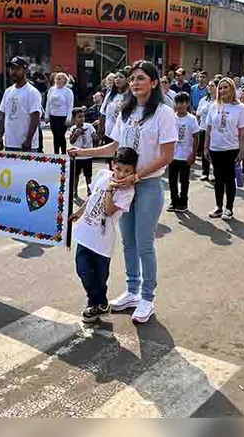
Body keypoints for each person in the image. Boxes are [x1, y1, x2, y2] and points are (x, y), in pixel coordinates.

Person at [68, 60, 176, 324]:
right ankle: (132, 290)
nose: (135, 83)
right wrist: (83, 153)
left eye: (141, 78)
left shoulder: (163, 112)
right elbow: (114, 147)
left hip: (147, 186)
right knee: (128, 242)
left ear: (153, 82)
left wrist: (136, 178)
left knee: (144, 244)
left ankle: (147, 298)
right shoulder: (125, 112)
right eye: (132, 79)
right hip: (121, 186)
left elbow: (167, 155)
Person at [69, 147, 137, 324]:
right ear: (113, 165)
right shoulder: (103, 175)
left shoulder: (127, 192)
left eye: (127, 171)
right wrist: (79, 212)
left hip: (102, 242)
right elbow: (92, 198)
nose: (121, 174)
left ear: (133, 172)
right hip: (85, 233)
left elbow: (108, 211)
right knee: (83, 269)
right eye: (119, 169)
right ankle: (100, 304)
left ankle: (95, 305)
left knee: (100, 277)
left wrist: (110, 190)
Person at [204, 78, 244, 221]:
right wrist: (206, 146)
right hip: (215, 148)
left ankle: (229, 208)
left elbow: (242, 132)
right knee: (218, 179)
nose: (222, 90)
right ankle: (218, 207)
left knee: (229, 179)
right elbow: (208, 128)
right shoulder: (214, 106)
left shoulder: (240, 108)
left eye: (225, 88)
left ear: (231, 89)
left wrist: (242, 151)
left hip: (231, 149)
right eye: (221, 88)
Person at [0, 56, 42, 152]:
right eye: (12, 69)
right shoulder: (8, 91)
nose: (13, 72)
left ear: (25, 71)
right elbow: (3, 115)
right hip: (9, 143)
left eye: (17, 69)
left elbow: (35, 117)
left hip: (26, 146)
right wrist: (0, 137)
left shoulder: (32, 92)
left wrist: (28, 140)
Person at [167, 92, 200, 213]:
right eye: (177, 102)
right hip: (172, 155)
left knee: (184, 180)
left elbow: (196, 137)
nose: (179, 105)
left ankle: (183, 202)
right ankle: (174, 201)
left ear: (187, 103)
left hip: (185, 156)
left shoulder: (191, 119)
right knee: (172, 180)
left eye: (182, 102)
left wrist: (193, 154)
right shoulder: (171, 117)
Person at [67, 107, 95, 198]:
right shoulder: (72, 128)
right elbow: (71, 141)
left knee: (88, 175)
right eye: (79, 117)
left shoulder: (89, 126)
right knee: (76, 175)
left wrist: (95, 135)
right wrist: (76, 134)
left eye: (83, 116)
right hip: (77, 156)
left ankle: (89, 189)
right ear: (74, 118)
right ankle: (75, 191)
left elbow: (96, 137)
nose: (82, 119)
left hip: (87, 155)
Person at [45, 72, 75, 154]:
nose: (57, 80)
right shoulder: (51, 90)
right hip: (53, 116)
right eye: (56, 79)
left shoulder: (68, 91)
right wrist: (46, 115)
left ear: (64, 80)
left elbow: (70, 106)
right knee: (55, 136)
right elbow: (48, 103)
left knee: (61, 135)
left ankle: (63, 153)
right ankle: (56, 153)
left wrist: (69, 118)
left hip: (63, 117)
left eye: (59, 79)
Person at [99, 70, 129, 146]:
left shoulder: (130, 96)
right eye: (116, 77)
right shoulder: (110, 95)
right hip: (108, 133)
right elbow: (103, 114)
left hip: (122, 134)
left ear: (127, 80)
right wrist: (100, 130)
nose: (117, 79)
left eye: (121, 77)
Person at [196, 79, 217, 181]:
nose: (210, 87)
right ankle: (205, 172)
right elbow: (198, 114)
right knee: (205, 151)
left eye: (212, 86)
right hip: (203, 128)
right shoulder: (204, 100)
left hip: (215, 130)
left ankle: (214, 172)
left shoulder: (219, 101)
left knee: (214, 151)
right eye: (209, 86)